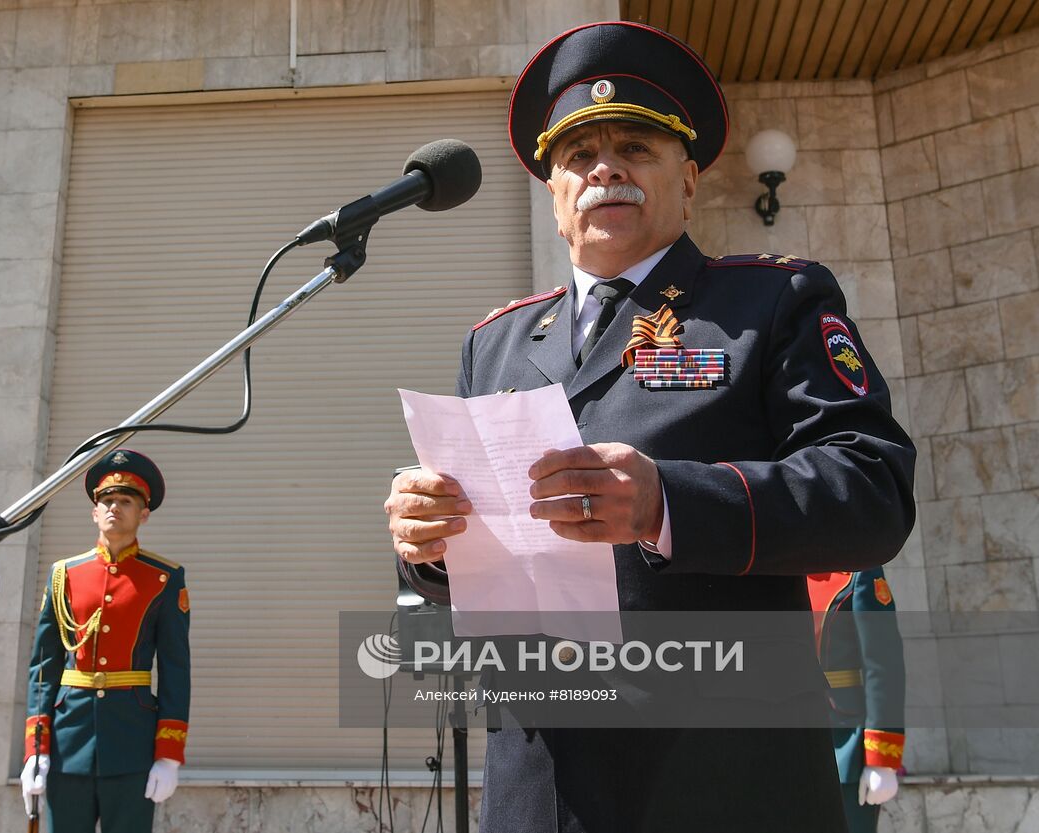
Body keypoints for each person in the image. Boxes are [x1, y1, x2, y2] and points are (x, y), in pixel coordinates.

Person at [383, 21, 916, 833]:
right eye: (578, 156)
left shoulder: (770, 304)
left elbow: (872, 488)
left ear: (690, 180)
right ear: (555, 196)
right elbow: (477, 564)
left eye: (635, 147)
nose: (605, 168)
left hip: (724, 778)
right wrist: (427, 548)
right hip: (541, 783)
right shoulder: (494, 344)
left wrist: (668, 501)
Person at [21, 449, 190, 833]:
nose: (115, 507)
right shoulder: (63, 575)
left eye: (126, 501)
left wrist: (168, 755)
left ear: (143, 514)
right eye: (107, 501)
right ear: (94, 512)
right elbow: (44, 666)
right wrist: (37, 749)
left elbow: (176, 670)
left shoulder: (164, 579)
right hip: (68, 741)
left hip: (132, 743)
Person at [809, 568, 907, 833]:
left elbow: (883, 662)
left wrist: (882, 760)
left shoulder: (859, 572)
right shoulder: (778, 575)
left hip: (844, 745)